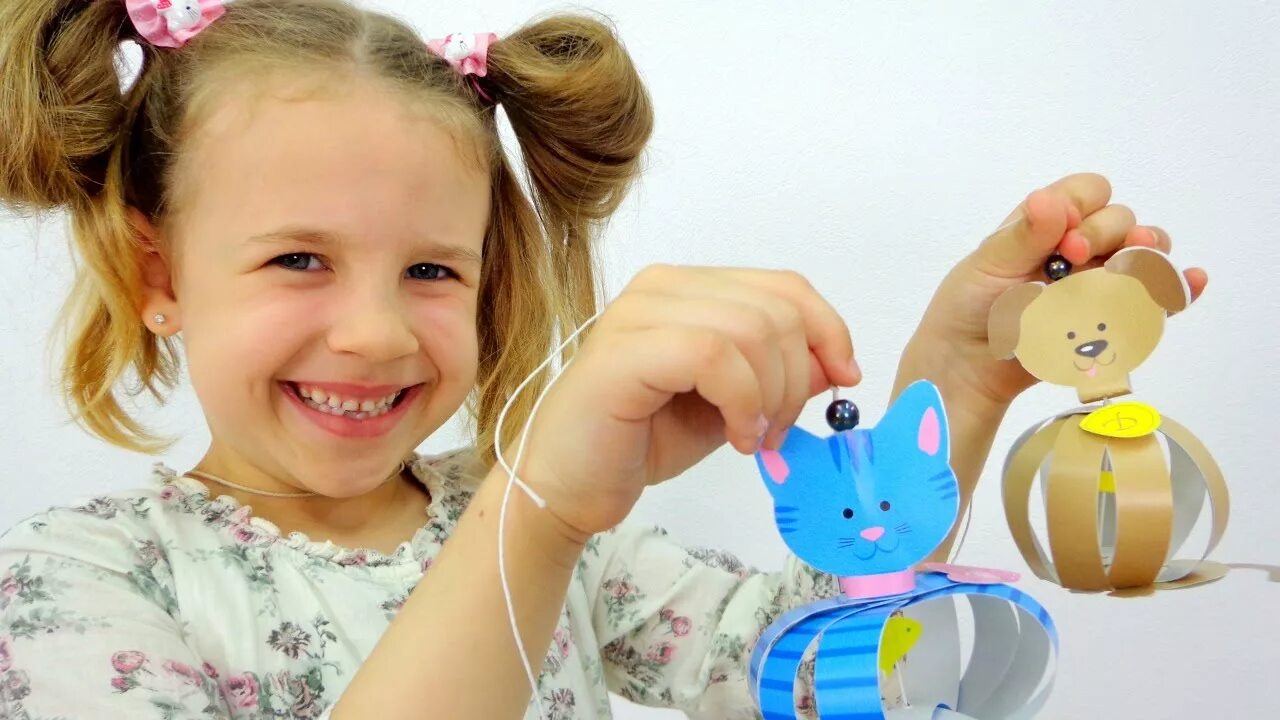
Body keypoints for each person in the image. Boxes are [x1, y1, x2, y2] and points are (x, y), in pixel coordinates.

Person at [0, 0, 1207, 718]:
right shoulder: (75, 583)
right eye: (297, 259)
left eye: (432, 271)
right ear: (158, 275)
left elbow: (809, 672)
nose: (375, 332)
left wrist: (958, 376)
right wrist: (537, 510)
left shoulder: (568, 538)